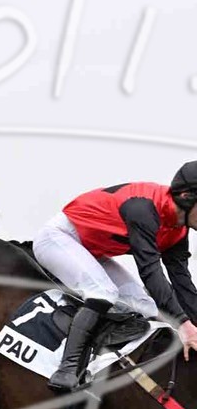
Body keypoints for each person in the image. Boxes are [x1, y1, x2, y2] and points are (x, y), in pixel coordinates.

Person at [33, 161, 197, 390]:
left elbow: (182, 282)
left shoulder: (178, 230)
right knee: (103, 293)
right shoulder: (143, 209)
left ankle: (103, 362)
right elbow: (150, 271)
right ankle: (67, 369)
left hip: (92, 251)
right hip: (58, 238)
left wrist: (193, 323)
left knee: (146, 306)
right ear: (187, 197)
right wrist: (183, 323)